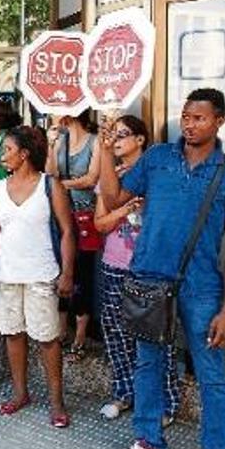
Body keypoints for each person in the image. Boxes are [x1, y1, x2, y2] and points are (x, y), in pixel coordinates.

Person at [98, 89, 225, 449]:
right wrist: (105, 153)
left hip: (201, 288)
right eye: (185, 117)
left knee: (211, 375)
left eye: (199, 118)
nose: (189, 124)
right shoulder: (157, 157)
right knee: (147, 365)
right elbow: (114, 196)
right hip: (149, 279)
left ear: (219, 122)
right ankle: (148, 440)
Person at [0, 126, 76, 428]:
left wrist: (67, 273)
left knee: (48, 339)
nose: (2, 156)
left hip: (41, 275)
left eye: (7, 150)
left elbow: (68, 232)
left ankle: (57, 402)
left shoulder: (51, 186)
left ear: (24, 154)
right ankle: (20, 393)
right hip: (7, 275)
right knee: (12, 335)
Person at [93, 116, 180, 424]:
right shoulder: (111, 176)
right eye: (112, 135)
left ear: (141, 139)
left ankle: (165, 404)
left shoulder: (160, 175)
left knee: (156, 338)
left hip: (150, 269)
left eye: (123, 135)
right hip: (114, 265)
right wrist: (125, 209)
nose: (115, 141)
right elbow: (100, 224)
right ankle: (123, 394)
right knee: (116, 334)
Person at [46, 110, 101, 361]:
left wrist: (62, 185)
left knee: (82, 274)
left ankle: (80, 335)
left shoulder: (94, 140)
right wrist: (51, 141)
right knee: (59, 269)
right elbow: (49, 173)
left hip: (85, 213)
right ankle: (60, 328)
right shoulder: (60, 140)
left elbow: (91, 178)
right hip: (60, 214)